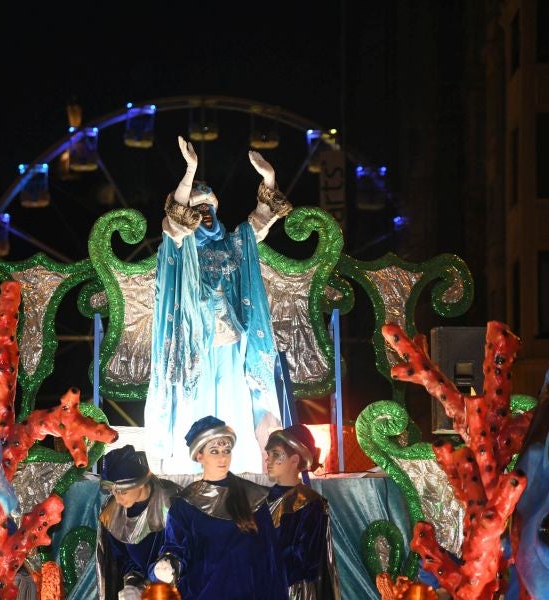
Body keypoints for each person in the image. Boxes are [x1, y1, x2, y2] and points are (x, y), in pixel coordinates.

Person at [144, 135, 293, 475]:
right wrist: (189, 171)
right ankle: (192, 474)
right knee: (195, 408)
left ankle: (237, 472)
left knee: (233, 406)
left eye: (208, 209)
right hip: (193, 346)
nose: (204, 216)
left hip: (231, 341)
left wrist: (269, 180)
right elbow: (174, 223)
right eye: (197, 211)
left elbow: (263, 218)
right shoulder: (180, 246)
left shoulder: (234, 244)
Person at [152, 416, 289, 599]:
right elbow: (177, 547)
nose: (223, 457)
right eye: (214, 451)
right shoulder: (184, 504)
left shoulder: (253, 497)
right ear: (199, 456)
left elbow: (271, 560)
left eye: (227, 450)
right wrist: (170, 562)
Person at [96, 445, 181, 600]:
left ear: (140, 483)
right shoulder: (112, 516)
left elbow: (186, 551)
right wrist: (131, 584)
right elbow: (123, 560)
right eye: (113, 491)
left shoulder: (174, 504)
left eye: (123, 491)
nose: (118, 498)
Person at [265, 425, 340, 599]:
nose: (268, 460)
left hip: (294, 592)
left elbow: (311, 560)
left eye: (276, 454)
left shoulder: (311, 504)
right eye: (268, 454)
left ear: (294, 459)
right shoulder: (261, 501)